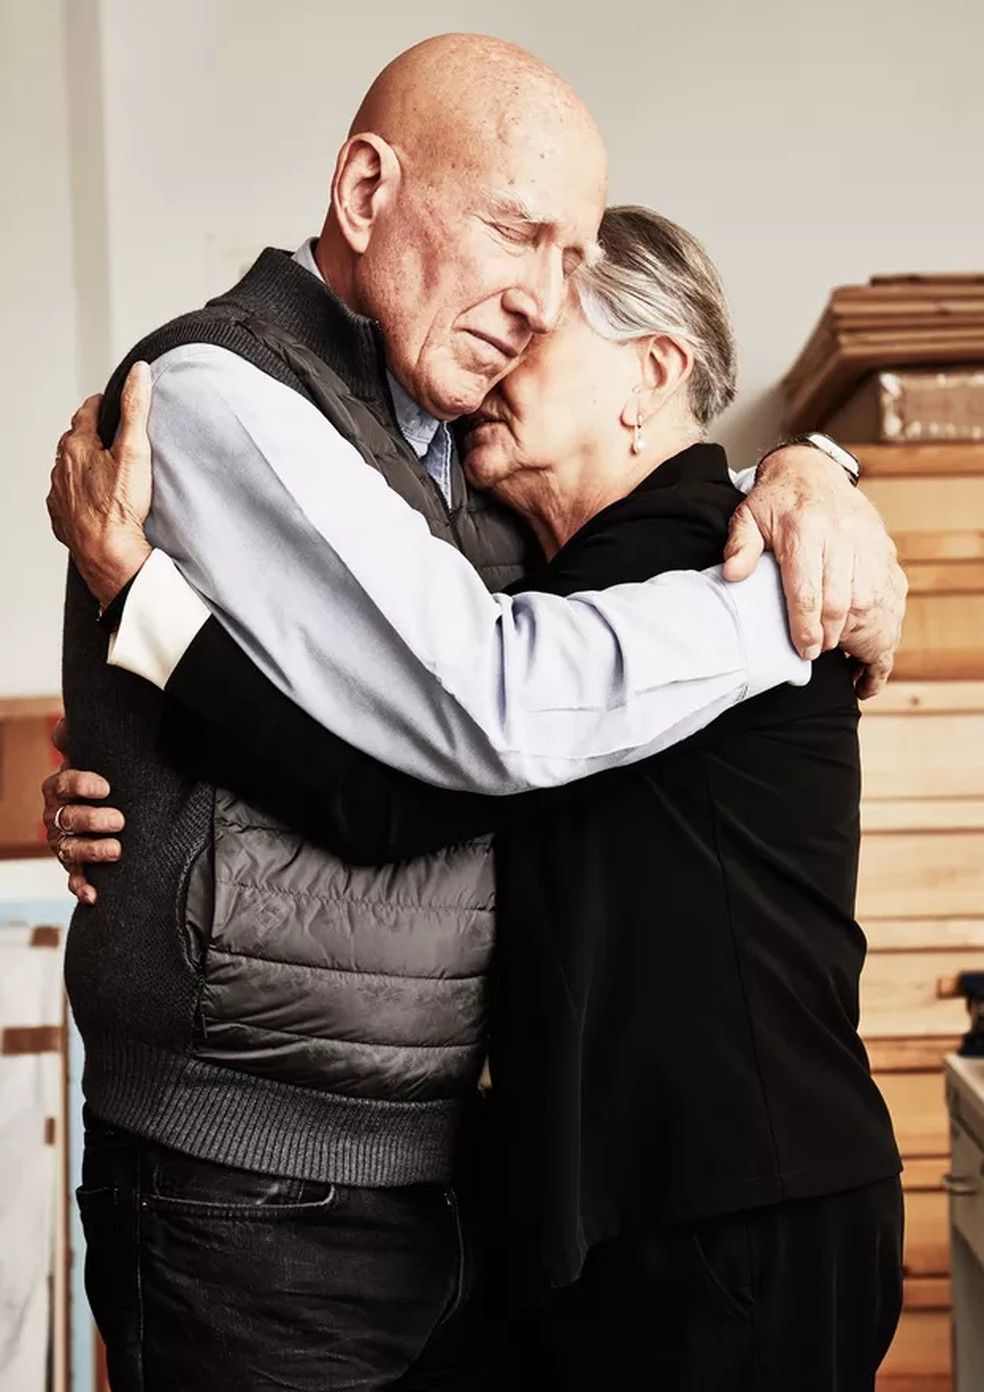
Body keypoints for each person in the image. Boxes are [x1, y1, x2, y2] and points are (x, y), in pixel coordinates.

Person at [45, 34, 906, 1392]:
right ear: (367, 189)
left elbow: (457, 748)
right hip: (288, 1195)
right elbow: (463, 735)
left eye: (569, 271)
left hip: (674, 1204)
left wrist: (822, 485)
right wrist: (136, 672)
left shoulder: (674, 544)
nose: (529, 312)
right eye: (520, 235)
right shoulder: (228, 398)